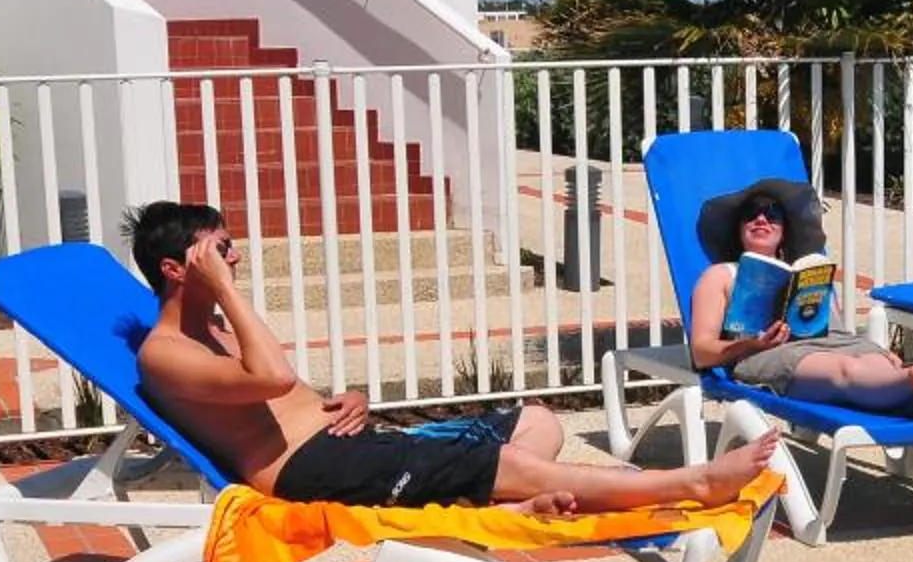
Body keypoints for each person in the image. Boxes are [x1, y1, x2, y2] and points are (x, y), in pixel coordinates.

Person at [129, 200, 777, 513]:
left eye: (230, 247)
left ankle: (498, 507)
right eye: (220, 250)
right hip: (311, 469)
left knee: (535, 422)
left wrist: (350, 398)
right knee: (486, 456)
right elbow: (268, 377)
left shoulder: (212, 336)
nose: (234, 259)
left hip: (349, 444)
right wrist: (223, 291)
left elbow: (287, 390)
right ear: (175, 268)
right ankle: (682, 485)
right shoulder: (165, 355)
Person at [686, 176, 913, 417]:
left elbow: (831, 327)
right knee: (842, 371)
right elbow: (701, 353)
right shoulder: (720, 276)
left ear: (784, 231)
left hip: (833, 341)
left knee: (869, 361)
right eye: (751, 214)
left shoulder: (805, 270)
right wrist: (750, 344)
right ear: (738, 228)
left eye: (772, 214)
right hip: (767, 354)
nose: (762, 219)